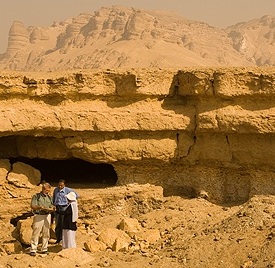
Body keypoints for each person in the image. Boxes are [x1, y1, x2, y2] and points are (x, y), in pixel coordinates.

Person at [30, 183, 55, 256]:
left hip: (47, 215)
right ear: (43, 189)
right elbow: (33, 206)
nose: (48, 192)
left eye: (49, 190)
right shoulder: (36, 196)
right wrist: (40, 207)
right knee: (36, 232)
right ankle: (33, 249)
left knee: (46, 232)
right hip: (39, 215)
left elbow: (52, 206)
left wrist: (52, 209)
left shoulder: (49, 197)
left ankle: (44, 248)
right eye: (47, 190)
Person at [53, 179, 79, 244]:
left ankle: (64, 239)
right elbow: (54, 198)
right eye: (59, 185)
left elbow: (77, 195)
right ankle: (58, 238)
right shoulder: (55, 190)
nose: (60, 187)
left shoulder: (68, 190)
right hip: (57, 207)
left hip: (64, 208)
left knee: (64, 223)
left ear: (64, 185)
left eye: (61, 185)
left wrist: (70, 202)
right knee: (58, 224)